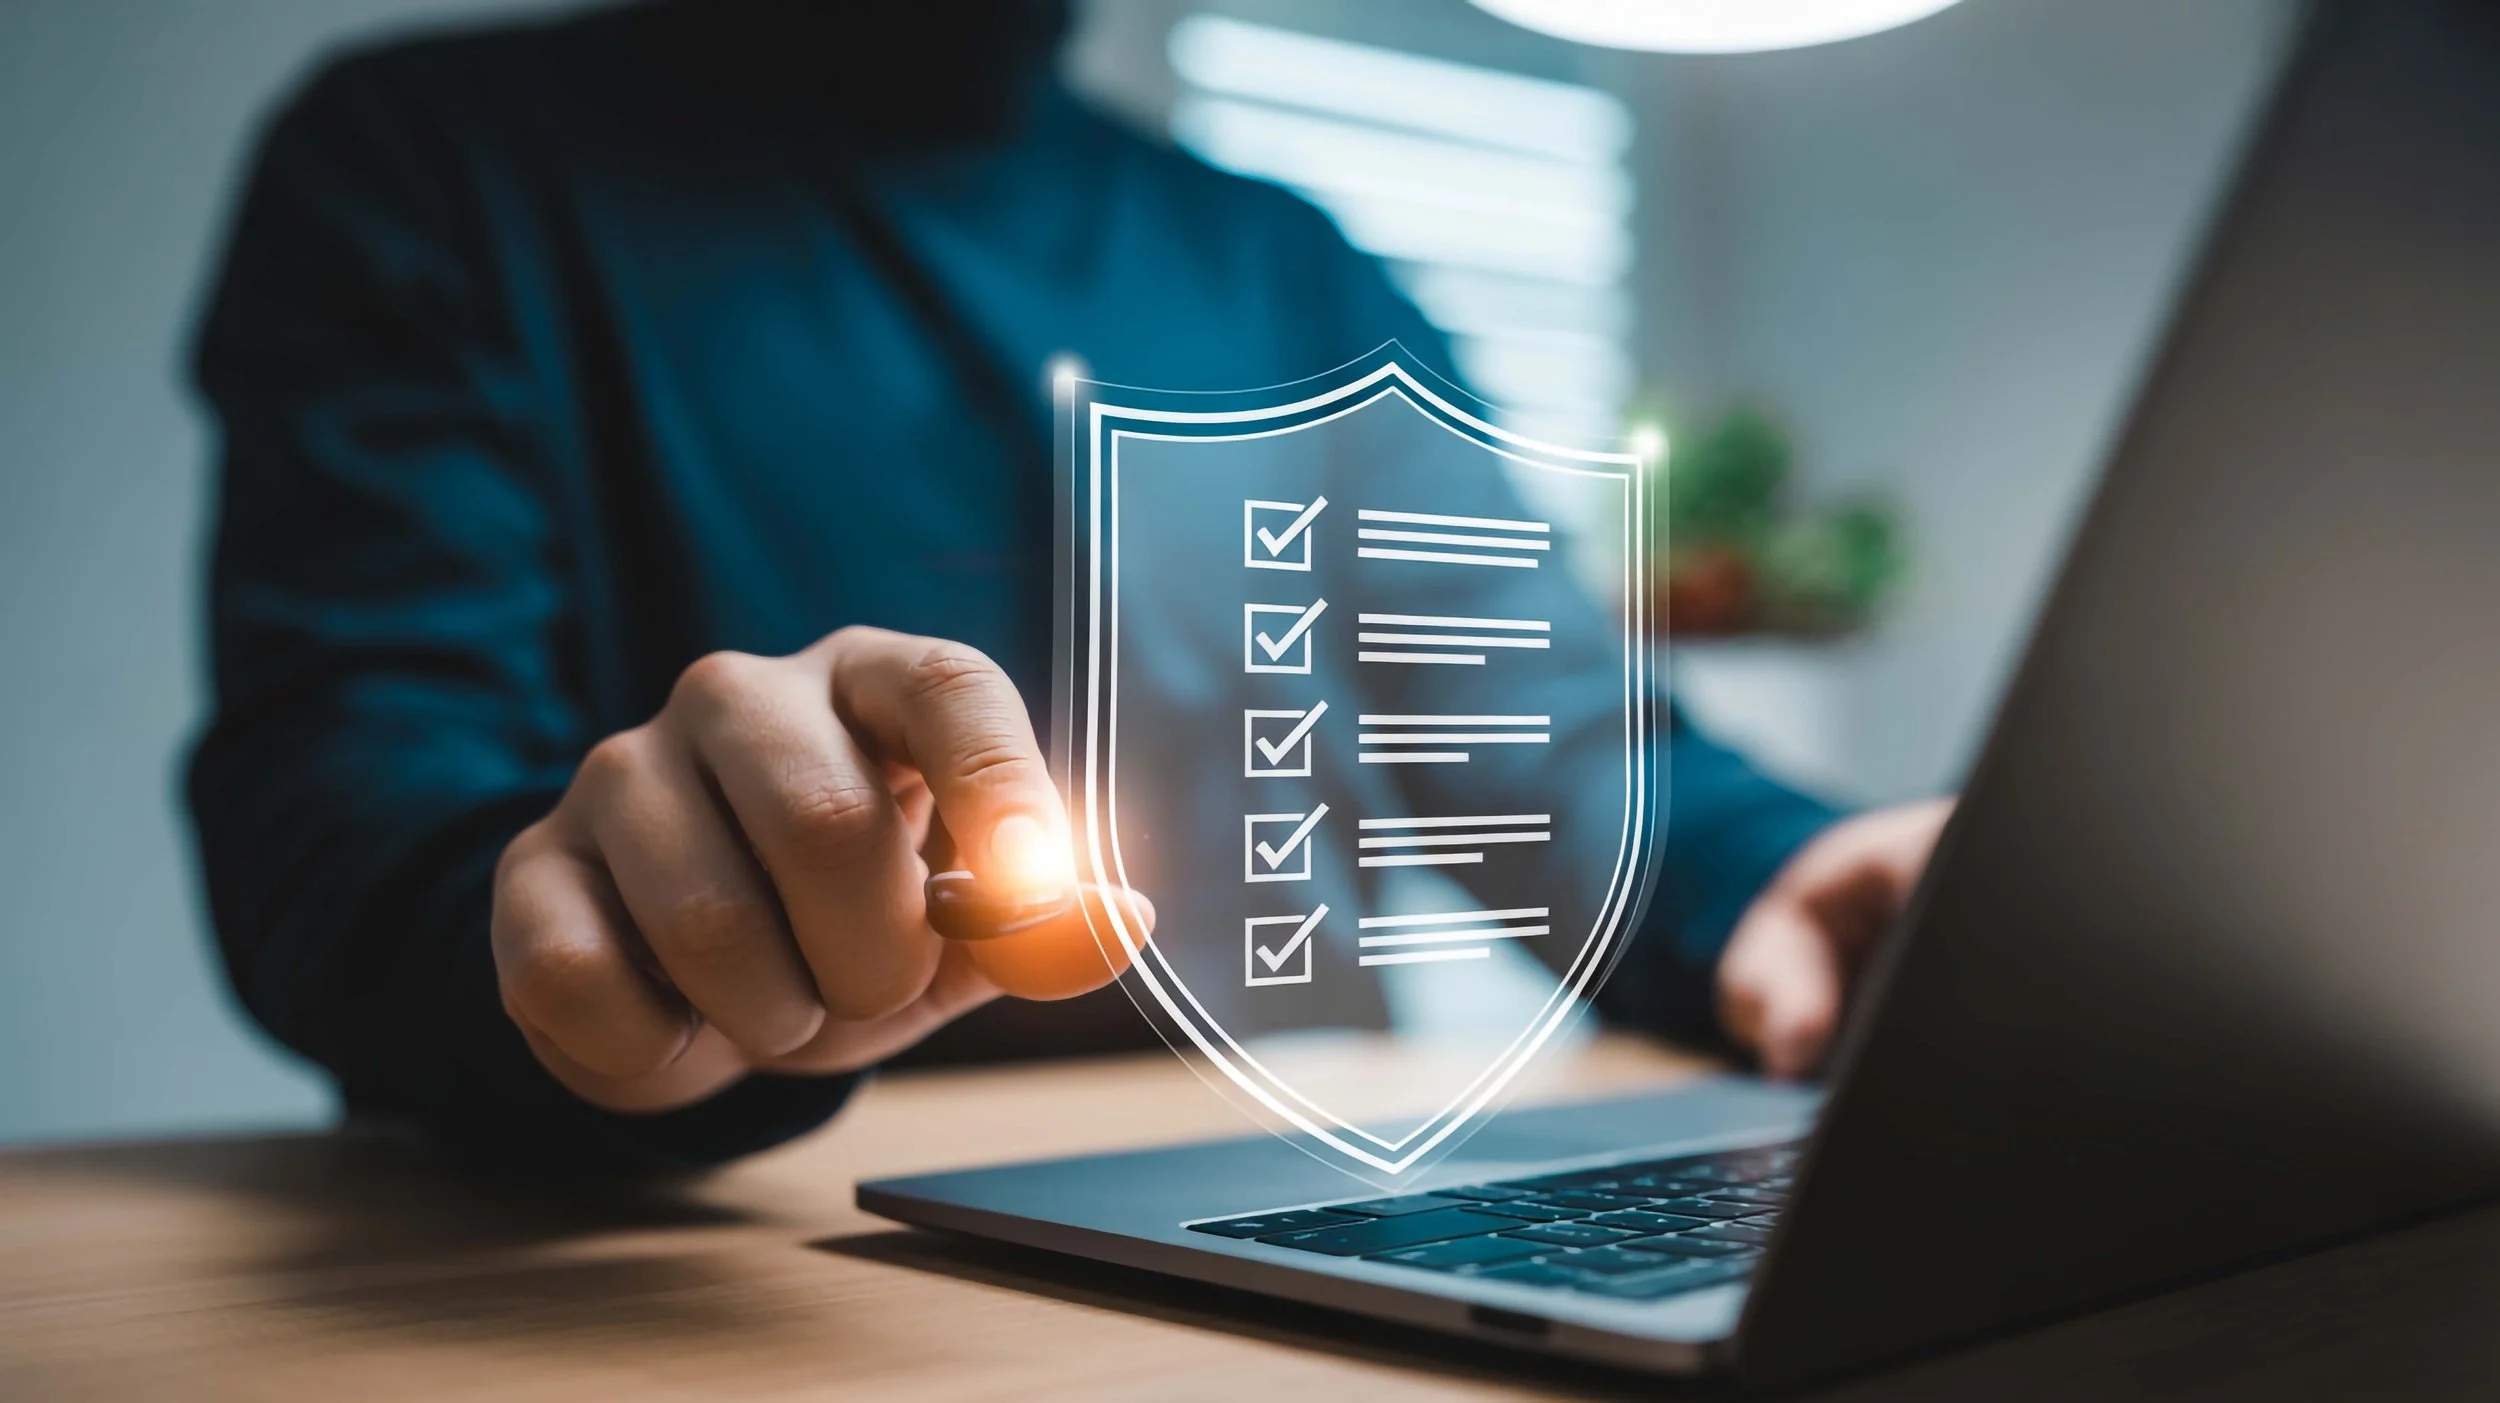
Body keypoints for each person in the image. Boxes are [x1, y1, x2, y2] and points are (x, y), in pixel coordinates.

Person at [187, 0, 1950, 1178]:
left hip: (1298, 1211)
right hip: (693, 1280)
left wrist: (1776, 877)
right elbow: (341, 813)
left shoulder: (1281, 257)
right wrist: (601, 952)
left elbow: (1547, 735)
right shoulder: (427, 167)